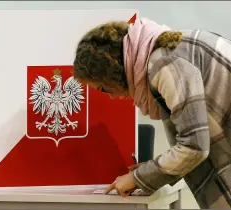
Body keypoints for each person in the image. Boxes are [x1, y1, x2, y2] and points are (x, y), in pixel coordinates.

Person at [72, 18, 231, 209]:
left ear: (110, 72)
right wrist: (149, 172)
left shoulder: (163, 63)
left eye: (104, 88)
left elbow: (195, 146)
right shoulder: (166, 53)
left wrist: (138, 178)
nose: (112, 97)